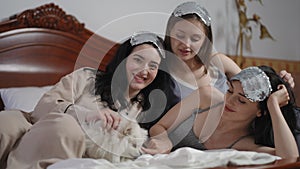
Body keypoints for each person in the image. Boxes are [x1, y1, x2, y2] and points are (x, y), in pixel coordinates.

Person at [0, 31, 179, 169]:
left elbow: (160, 133)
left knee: (66, 128)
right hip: (33, 124)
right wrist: (85, 115)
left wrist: (165, 141)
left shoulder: (146, 108)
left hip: (64, 142)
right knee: (6, 122)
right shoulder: (87, 77)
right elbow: (43, 107)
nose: (144, 70)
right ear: (123, 60)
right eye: (138, 60)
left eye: (153, 66)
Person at [144, 65, 299, 159]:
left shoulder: (245, 144)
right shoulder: (206, 97)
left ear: (261, 112)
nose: (230, 101)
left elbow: (290, 158)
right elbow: (159, 127)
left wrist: (273, 105)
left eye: (241, 100)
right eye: (230, 91)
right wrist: (164, 140)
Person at [162, 1, 295, 100]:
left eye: (195, 38)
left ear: (205, 41)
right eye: (179, 36)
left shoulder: (219, 62)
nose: (186, 44)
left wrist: (281, 82)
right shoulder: (161, 69)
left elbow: (255, 91)